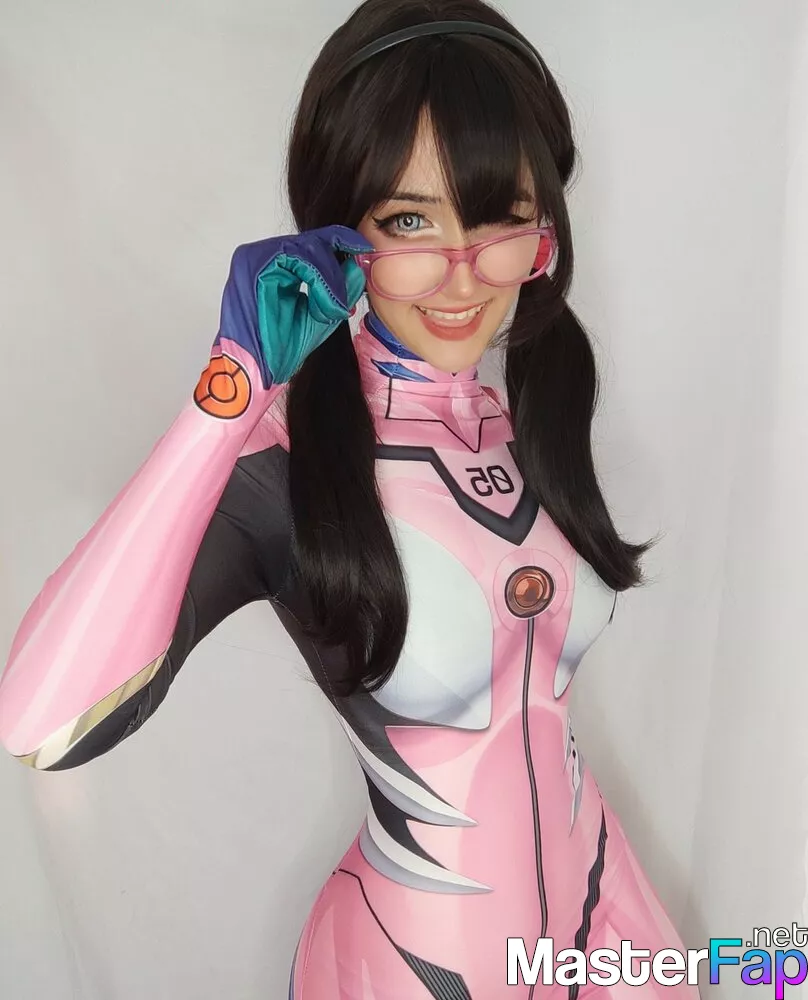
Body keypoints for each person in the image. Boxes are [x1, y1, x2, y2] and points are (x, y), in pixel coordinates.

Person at [0, 1, 700, 996]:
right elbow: (41, 725)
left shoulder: (529, 416)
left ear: (543, 226)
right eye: (410, 221)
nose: (462, 276)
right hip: (407, 963)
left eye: (498, 216)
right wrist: (227, 395)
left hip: (602, 921)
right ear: (339, 230)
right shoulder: (287, 464)